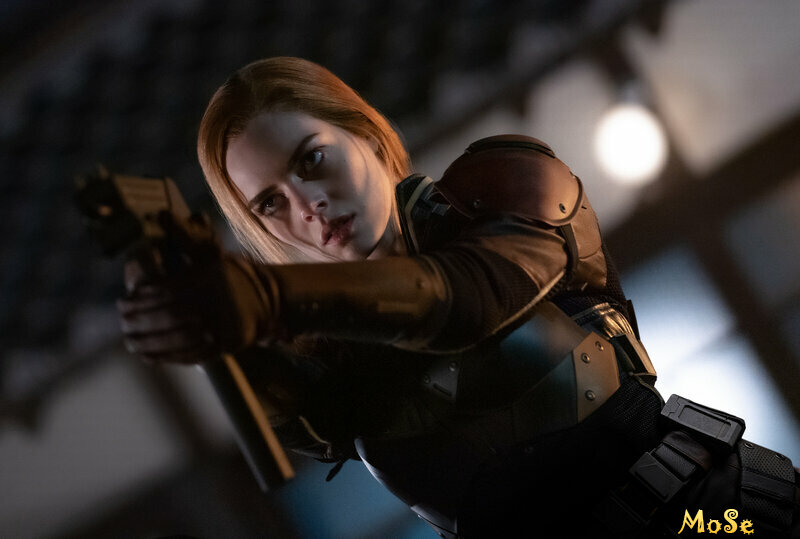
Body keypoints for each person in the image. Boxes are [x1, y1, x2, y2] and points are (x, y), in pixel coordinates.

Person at [116, 57, 800, 537]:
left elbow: (464, 300)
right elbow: (292, 415)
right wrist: (188, 311)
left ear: (364, 133)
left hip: (707, 516)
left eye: (312, 159)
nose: (307, 206)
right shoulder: (325, 349)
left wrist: (267, 297)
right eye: (269, 203)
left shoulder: (501, 187)